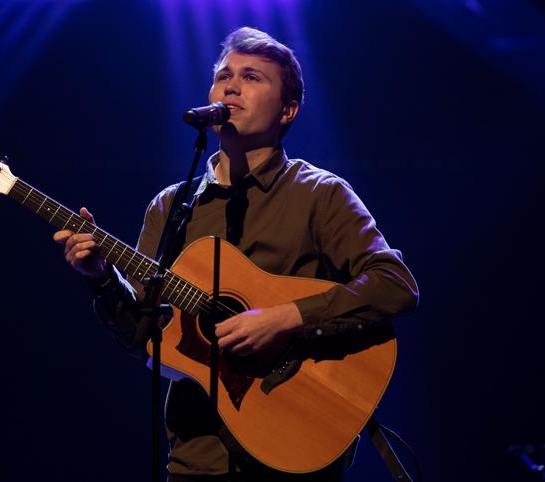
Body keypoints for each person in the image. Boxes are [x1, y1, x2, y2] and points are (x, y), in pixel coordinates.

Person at [53, 27, 419, 482]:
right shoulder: (171, 208)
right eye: (224, 75)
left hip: (297, 444)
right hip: (197, 458)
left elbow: (395, 284)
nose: (230, 85)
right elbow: (144, 339)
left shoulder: (320, 195)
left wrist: (285, 317)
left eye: (251, 77)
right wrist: (102, 278)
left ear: (288, 110)